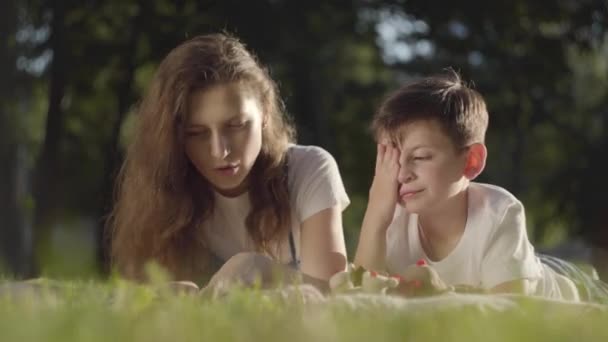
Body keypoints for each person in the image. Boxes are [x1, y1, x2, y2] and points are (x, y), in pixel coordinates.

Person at [107, 33, 349, 292]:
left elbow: (334, 295)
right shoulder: (163, 187)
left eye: (236, 125)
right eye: (196, 133)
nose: (220, 151)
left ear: (265, 113)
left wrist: (261, 271)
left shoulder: (308, 169)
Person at [353, 69, 582, 300]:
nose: (402, 174)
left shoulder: (498, 213)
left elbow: (508, 315)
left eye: (420, 157)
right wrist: (375, 214)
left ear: (471, 160)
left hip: (560, 287)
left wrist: (441, 295)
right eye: (391, 160)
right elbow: (361, 298)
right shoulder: (389, 220)